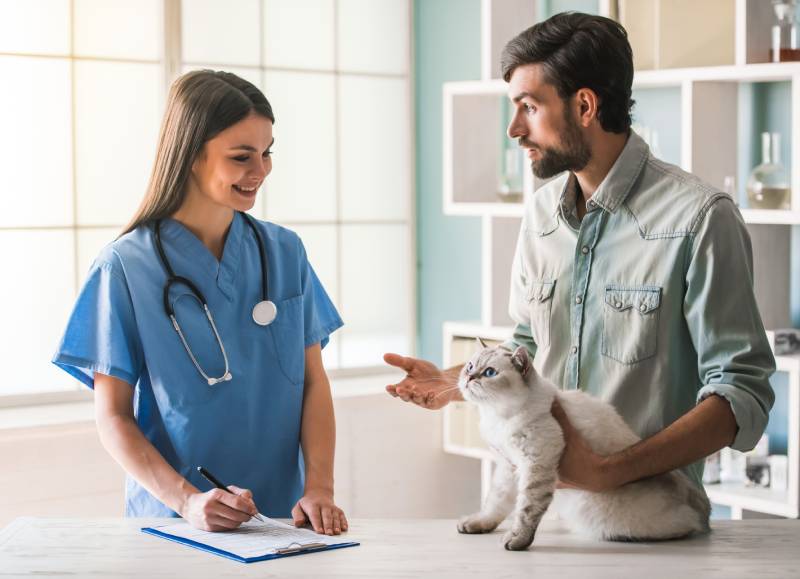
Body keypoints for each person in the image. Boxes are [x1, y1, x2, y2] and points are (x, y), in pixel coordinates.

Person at [386, 12, 775, 493]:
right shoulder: (541, 213)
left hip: (647, 530)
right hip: (541, 515)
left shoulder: (700, 218)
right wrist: (449, 383)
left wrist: (606, 471)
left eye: (528, 106)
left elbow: (741, 391)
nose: (513, 129)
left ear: (585, 105)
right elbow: (530, 346)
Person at [53, 70, 348, 535]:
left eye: (267, 153)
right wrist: (188, 502)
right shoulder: (126, 267)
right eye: (241, 156)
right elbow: (112, 415)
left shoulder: (284, 252)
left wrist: (321, 488)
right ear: (191, 155)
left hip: (283, 520)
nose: (261, 171)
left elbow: (313, 382)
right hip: (176, 525)